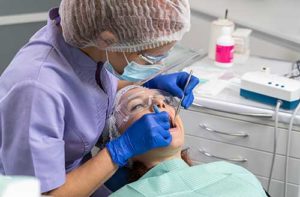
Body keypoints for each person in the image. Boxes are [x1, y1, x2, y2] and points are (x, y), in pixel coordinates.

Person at [0, 0, 199, 196]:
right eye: (149, 58)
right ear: (107, 41)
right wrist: (122, 149)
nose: (158, 102)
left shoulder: (88, 45)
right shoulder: (36, 90)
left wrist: (149, 84)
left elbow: (88, 83)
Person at [106, 85, 268, 197]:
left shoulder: (235, 173)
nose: (158, 103)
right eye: (137, 106)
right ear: (119, 139)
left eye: (164, 100)